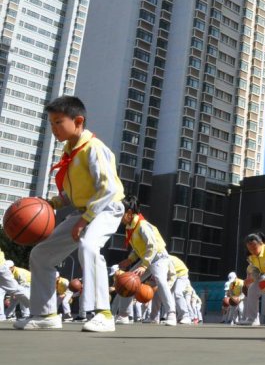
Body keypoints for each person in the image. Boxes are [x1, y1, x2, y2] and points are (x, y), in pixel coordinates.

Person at [15, 96, 125, 332]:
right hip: (85, 211)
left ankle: (104, 314)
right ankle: (45, 315)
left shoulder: (94, 148)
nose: (53, 128)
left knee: (88, 246)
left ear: (78, 121)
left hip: (108, 208)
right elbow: (73, 195)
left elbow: (109, 189)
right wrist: (52, 202)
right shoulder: (69, 152)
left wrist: (84, 220)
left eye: (58, 122)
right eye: (51, 123)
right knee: (41, 254)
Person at [117, 195, 177, 326]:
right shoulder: (131, 228)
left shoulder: (142, 225)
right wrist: (130, 260)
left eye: (119, 212)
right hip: (147, 259)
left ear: (129, 213)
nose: (118, 216)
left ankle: (171, 313)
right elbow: (138, 249)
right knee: (125, 283)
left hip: (159, 257)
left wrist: (144, 265)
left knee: (160, 280)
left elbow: (152, 246)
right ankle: (124, 315)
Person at [0, 255, 30, 320]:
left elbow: (23, 284)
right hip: (20, 286)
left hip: (29, 285)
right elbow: (8, 286)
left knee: (21, 297)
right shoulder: (9, 272)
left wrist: (13, 294)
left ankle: (27, 315)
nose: (8, 270)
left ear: (13, 267)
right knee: (13, 300)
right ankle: (8, 315)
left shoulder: (19, 272)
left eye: (9, 268)